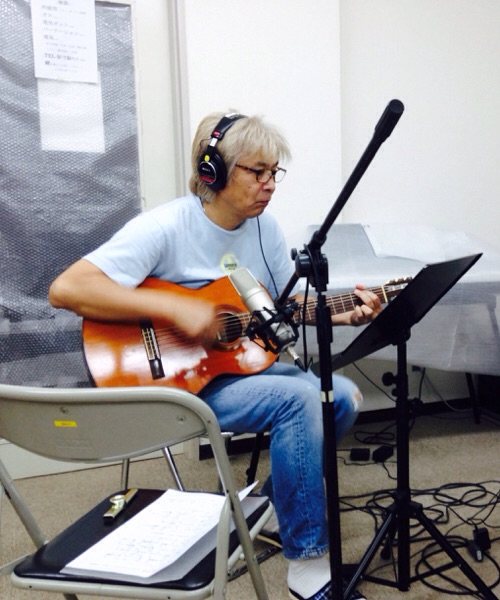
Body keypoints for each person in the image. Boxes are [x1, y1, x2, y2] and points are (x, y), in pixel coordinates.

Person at [49, 111, 380, 600]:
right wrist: (173, 307)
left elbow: (278, 309)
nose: (270, 185)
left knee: (343, 396)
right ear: (214, 171)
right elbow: (67, 289)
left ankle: (270, 504)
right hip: (171, 384)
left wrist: (341, 311)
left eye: (274, 172)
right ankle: (307, 563)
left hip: (232, 371)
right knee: (301, 400)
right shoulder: (165, 226)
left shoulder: (265, 230)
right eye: (257, 171)